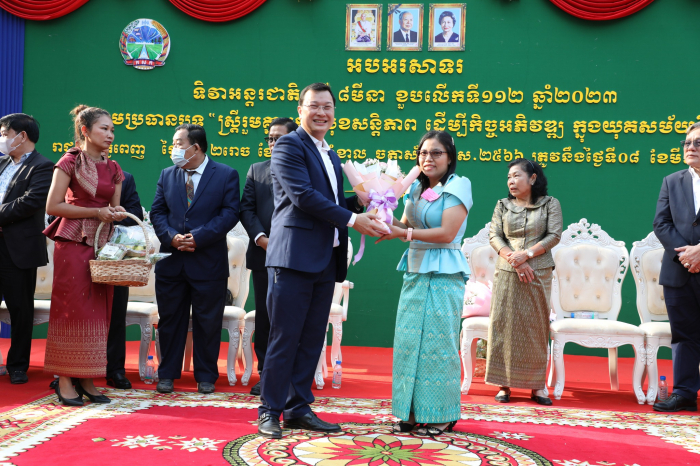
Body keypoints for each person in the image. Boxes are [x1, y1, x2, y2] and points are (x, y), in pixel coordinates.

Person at [257, 82, 384, 439]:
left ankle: (298, 408)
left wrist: (363, 201)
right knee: (284, 337)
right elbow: (303, 196)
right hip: (293, 258)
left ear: (334, 113)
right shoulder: (289, 145)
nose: (321, 113)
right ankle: (269, 410)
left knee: (312, 338)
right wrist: (354, 219)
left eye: (327, 107)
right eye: (314, 106)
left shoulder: (331, 154)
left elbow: (331, 201)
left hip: (325, 259)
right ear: (300, 110)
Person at [375, 130, 472, 436]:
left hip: (445, 274)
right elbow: (403, 226)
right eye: (423, 153)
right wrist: (377, 210)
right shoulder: (415, 188)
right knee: (408, 342)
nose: (428, 158)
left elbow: (446, 233)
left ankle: (442, 415)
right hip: (415, 271)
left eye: (436, 153)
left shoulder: (459, 185)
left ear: (450, 158)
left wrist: (403, 233)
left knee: (438, 343)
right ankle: (411, 411)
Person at [43, 105, 127, 406]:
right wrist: (96, 212)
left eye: (112, 129)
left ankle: (88, 377)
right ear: (85, 131)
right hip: (72, 243)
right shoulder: (68, 162)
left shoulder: (114, 168)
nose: (110, 134)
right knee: (71, 309)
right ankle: (65, 379)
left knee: (98, 313)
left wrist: (116, 213)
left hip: (103, 247)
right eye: (104, 128)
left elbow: (112, 209)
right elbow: (53, 206)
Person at [150, 124, 240, 395]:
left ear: (196, 147)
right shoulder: (167, 174)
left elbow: (229, 213)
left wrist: (199, 237)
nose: (173, 149)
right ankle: (167, 374)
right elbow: (157, 212)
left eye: (178, 144)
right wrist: (171, 237)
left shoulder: (225, 174)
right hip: (172, 262)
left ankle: (206, 376)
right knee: (170, 321)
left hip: (208, 262)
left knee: (208, 322)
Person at [485, 159, 562, 406]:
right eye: (509, 177)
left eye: (516, 175)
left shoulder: (550, 204)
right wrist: (514, 259)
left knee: (535, 327)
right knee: (503, 325)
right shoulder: (502, 205)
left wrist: (527, 255)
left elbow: (554, 235)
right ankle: (503, 385)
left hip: (538, 272)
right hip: (507, 272)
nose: (511, 181)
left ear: (533, 178)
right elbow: (494, 235)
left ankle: (537, 386)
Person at [240, 117, 298, 397]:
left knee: (292, 318)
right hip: (264, 255)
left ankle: (293, 377)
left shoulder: (304, 169)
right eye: (270, 139)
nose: (273, 143)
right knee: (266, 317)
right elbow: (246, 209)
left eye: (279, 138)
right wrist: (262, 239)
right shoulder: (257, 170)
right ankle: (267, 374)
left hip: (297, 256)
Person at [0, 113, 53, 385]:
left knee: (20, 309)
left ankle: (18, 365)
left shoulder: (43, 166)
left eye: (4, 134)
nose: (2, 139)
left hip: (18, 250)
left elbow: (31, 202)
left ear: (21, 136)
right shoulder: (1, 163)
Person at [652, 121, 700, 412]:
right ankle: (684, 393)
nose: (690, 147)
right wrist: (688, 255)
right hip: (679, 271)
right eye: (687, 142)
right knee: (683, 335)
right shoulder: (671, 181)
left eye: (698, 142)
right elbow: (661, 223)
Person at [106, 171, 143, 389]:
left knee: (116, 313)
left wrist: (115, 214)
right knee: (79, 314)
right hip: (80, 250)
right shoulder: (72, 172)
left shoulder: (124, 177)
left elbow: (136, 213)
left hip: (115, 255)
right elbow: (55, 212)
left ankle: (115, 370)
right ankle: (71, 371)